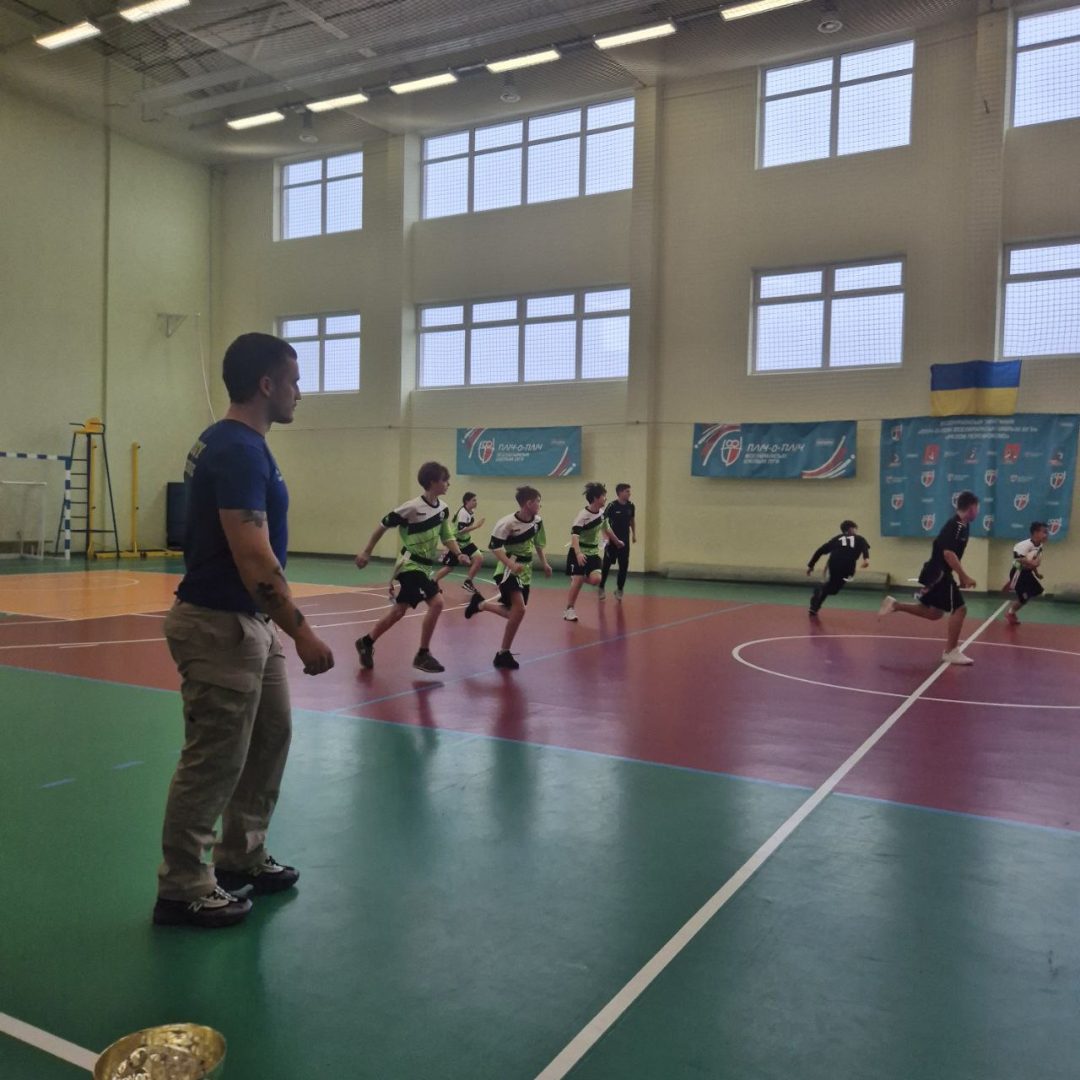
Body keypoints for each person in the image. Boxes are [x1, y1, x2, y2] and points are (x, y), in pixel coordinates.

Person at [154, 333, 335, 930]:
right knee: (214, 760)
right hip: (218, 626)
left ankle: (241, 855)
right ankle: (182, 887)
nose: (299, 393)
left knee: (269, 738)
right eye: (294, 381)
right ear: (266, 384)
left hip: (250, 623)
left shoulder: (239, 444)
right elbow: (253, 555)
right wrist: (303, 632)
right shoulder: (237, 450)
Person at [354, 462, 469, 674]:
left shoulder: (443, 509)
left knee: (399, 611)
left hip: (425, 567)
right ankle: (423, 654)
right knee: (437, 602)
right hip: (409, 565)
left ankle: (366, 642)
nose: (448, 484)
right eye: (445, 480)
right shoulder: (412, 507)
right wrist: (367, 551)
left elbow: (447, 535)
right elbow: (383, 525)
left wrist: (458, 553)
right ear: (432, 482)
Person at [879, 490, 980, 665]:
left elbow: (952, 554)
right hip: (938, 573)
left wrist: (959, 575)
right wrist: (964, 576)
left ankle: (896, 605)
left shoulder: (964, 526)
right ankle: (951, 651)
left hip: (937, 572)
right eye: (977, 508)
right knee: (960, 609)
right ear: (971, 508)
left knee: (934, 613)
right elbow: (948, 553)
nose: (978, 512)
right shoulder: (955, 525)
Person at [464, 485, 552, 669]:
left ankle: (480, 604)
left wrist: (544, 563)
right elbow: (495, 547)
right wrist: (511, 565)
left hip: (525, 570)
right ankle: (503, 654)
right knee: (520, 610)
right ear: (528, 503)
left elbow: (538, 544)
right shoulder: (507, 523)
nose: (540, 505)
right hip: (507, 569)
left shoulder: (537, 521)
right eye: (538, 502)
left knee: (514, 613)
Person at [564, 482, 623, 622]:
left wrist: (616, 541)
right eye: (604, 496)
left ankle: (576, 577)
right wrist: (578, 554)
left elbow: (607, 528)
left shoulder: (602, 514)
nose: (605, 498)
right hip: (578, 551)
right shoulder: (582, 516)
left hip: (593, 552)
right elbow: (575, 536)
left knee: (596, 579)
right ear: (596, 498)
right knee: (578, 581)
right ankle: (569, 609)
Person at [806, 519, 871, 617]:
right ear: (851, 529)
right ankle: (820, 590)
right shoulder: (860, 538)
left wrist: (811, 565)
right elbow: (864, 549)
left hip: (834, 563)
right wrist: (866, 560)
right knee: (833, 589)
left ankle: (815, 606)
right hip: (848, 566)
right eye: (855, 528)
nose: (856, 531)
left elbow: (820, 551)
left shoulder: (837, 538)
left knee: (831, 585)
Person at [434, 491, 485, 594]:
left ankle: (468, 582)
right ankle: (433, 582)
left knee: (479, 558)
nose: (476, 502)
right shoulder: (463, 513)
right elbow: (461, 530)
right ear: (467, 501)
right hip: (456, 543)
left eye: (476, 500)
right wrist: (476, 526)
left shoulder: (470, 511)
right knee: (449, 567)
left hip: (466, 542)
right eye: (474, 500)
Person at [1004, 521, 1048, 626]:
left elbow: (1033, 561)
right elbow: (1018, 558)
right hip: (1018, 572)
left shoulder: (1040, 546)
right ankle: (1010, 613)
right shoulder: (1024, 545)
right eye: (1044, 532)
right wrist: (1031, 563)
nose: (1046, 535)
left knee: (1036, 591)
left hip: (1027, 573)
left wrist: (1037, 573)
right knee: (1024, 597)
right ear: (1036, 533)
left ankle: (1011, 611)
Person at [599, 483, 636, 600]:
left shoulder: (631, 506)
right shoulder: (612, 506)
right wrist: (606, 538)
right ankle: (601, 587)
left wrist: (634, 534)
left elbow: (632, 520)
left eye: (629, 491)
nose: (629, 493)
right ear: (620, 493)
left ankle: (620, 589)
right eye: (627, 491)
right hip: (612, 541)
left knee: (623, 565)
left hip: (624, 541)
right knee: (606, 565)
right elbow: (603, 523)